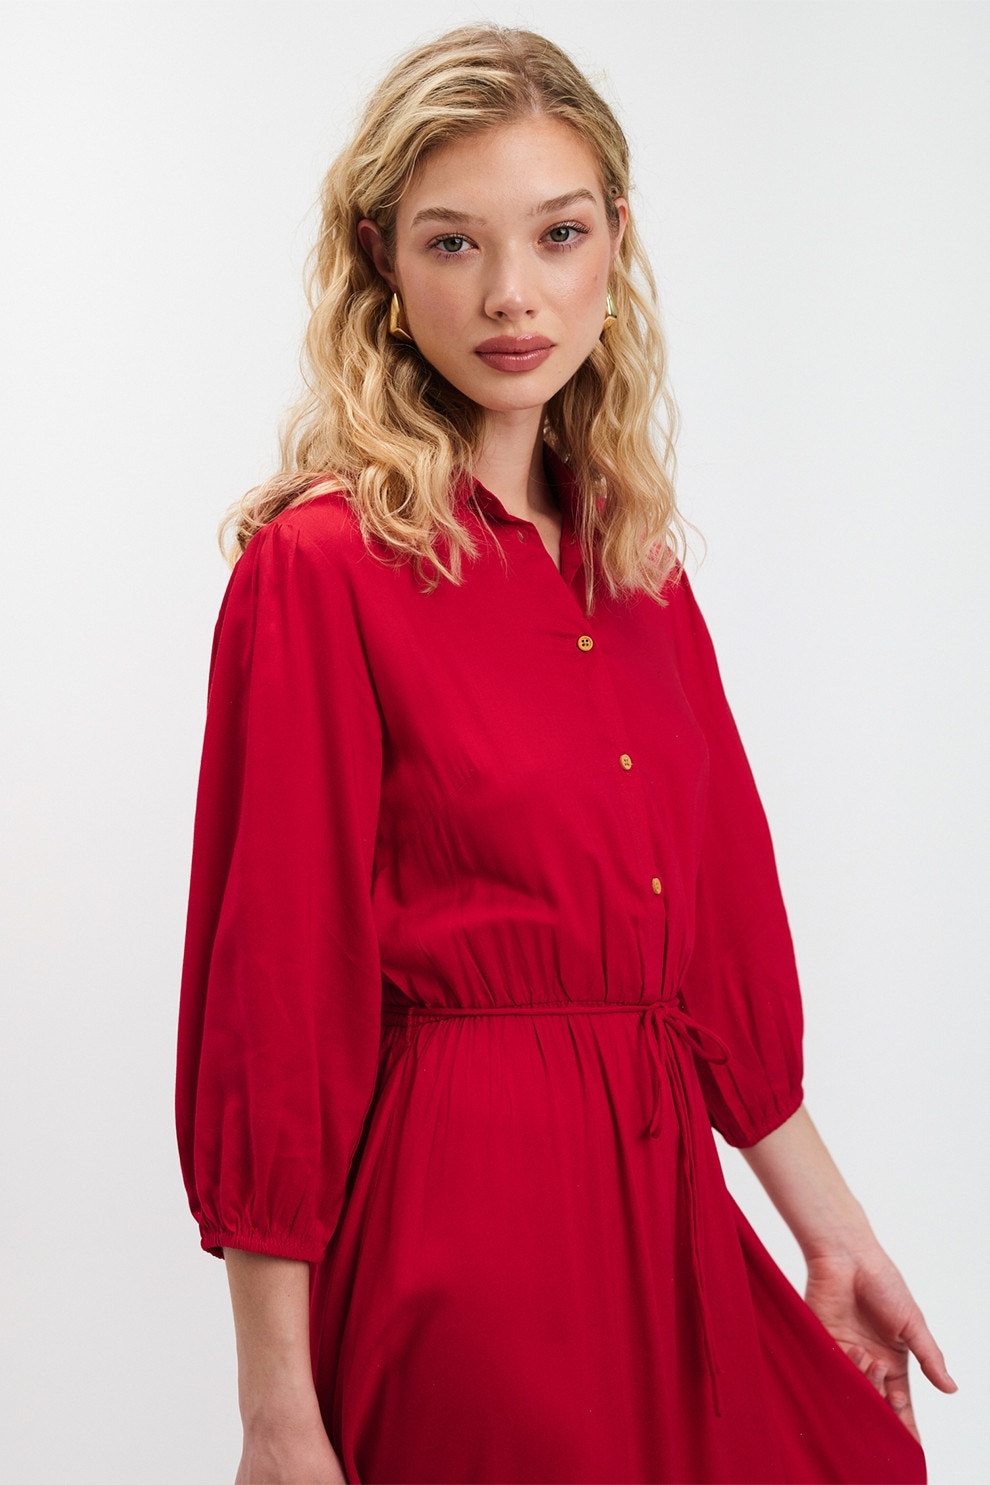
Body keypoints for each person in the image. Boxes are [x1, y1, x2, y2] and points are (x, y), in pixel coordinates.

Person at [175, 24, 955, 1485]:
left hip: (665, 1216)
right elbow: (274, 992)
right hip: (463, 1232)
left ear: (616, 241)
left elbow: (716, 945)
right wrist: (275, 1405)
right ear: (382, 262)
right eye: (453, 242)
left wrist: (833, 1235)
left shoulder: (638, 573)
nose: (511, 295)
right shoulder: (322, 568)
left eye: (557, 233)